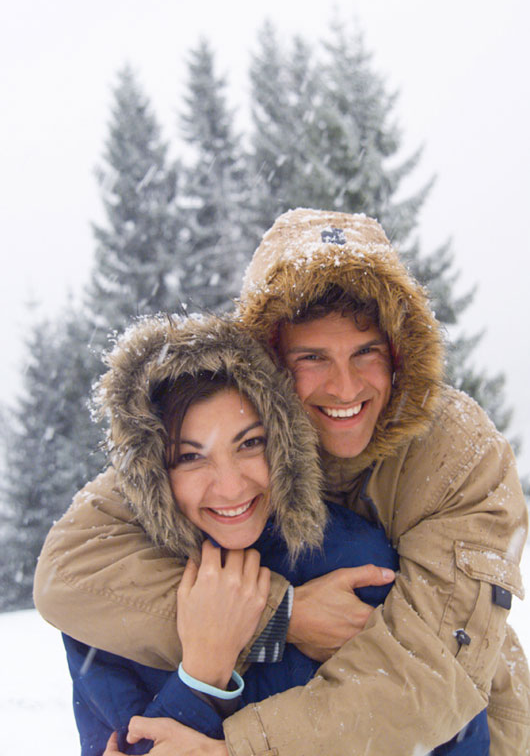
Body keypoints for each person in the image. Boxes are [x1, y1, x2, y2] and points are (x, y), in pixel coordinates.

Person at [34, 209, 530, 754]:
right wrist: (277, 616)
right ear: (268, 366)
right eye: (312, 357)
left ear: (398, 358)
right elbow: (71, 570)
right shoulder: (221, 440)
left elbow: (434, 674)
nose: (345, 387)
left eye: (365, 353)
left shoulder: (455, 453)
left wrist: (240, 749)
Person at [58, 312, 485, 756]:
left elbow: (449, 730)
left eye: (249, 444)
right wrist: (205, 671)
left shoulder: (349, 559)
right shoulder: (109, 596)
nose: (230, 486)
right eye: (189, 457)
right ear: (153, 472)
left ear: (283, 441)